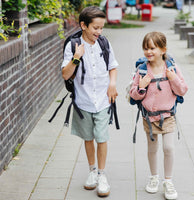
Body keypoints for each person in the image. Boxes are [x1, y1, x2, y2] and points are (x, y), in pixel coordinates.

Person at [61, 6, 119, 197]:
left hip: (103, 100)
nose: (99, 32)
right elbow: (66, 74)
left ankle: (102, 175)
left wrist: (112, 84)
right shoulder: (72, 46)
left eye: (101, 28)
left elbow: (113, 66)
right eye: (95, 28)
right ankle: (92, 171)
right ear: (83, 25)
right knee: (88, 138)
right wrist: (77, 58)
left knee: (102, 138)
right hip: (83, 101)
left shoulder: (104, 42)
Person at [129, 32, 188, 200]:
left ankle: (168, 181)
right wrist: (141, 86)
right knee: (152, 149)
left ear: (163, 49)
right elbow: (134, 95)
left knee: (168, 148)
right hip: (149, 117)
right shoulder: (141, 70)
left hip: (168, 116)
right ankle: (154, 177)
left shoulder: (172, 68)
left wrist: (173, 78)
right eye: (146, 48)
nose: (148, 52)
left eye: (152, 48)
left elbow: (182, 90)